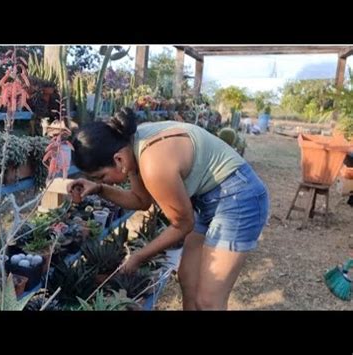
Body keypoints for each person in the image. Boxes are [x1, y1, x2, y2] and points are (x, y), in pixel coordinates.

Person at [67, 107, 269, 310]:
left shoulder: (154, 164)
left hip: (239, 197)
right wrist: (100, 189)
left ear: (118, 160)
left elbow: (183, 224)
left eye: (101, 176)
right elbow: (140, 200)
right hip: (208, 198)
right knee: (188, 279)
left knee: (208, 301)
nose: (105, 181)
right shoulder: (132, 145)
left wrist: (138, 257)